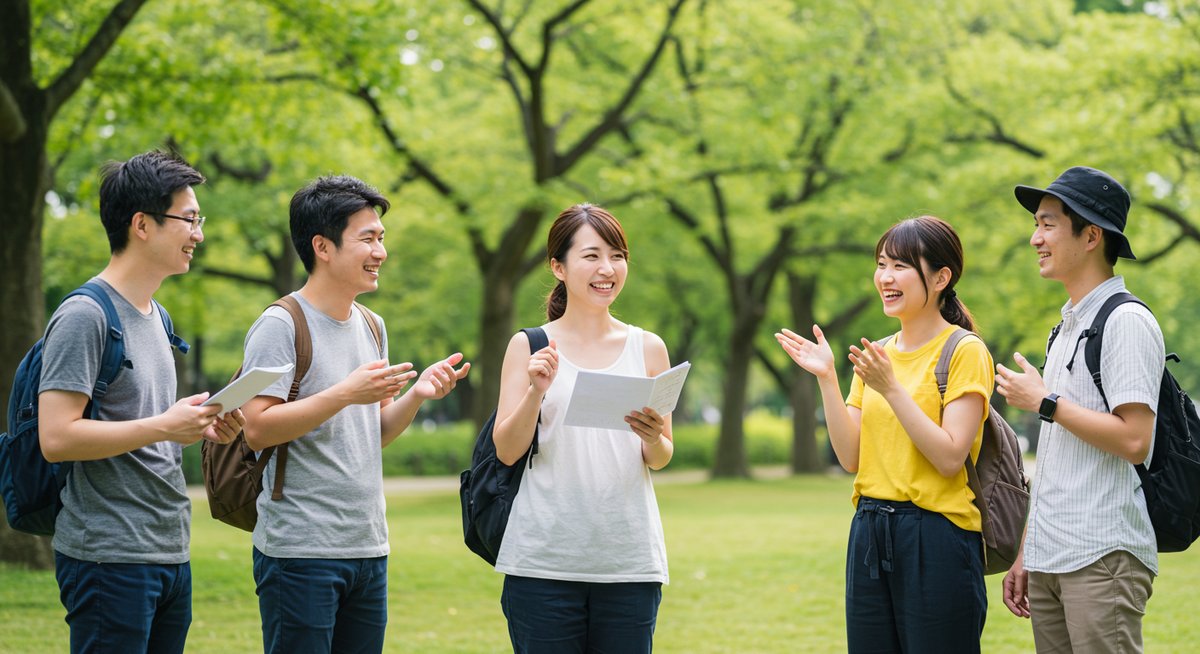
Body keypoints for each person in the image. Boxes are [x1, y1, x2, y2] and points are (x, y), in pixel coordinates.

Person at [238, 175, 469, 654]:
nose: (380, 251)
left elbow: (374, 432)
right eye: (367, 238)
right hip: (300, 550)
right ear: (322, 246)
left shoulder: (371, 323)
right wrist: (344, 393)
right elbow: (256, 428)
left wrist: (417, 395)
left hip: (367, 546)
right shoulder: (280, 324)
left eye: (381, 238)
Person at [38, 150, 245, 653]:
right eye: (189, 219)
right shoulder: (85, 315)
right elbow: (56, 437)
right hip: (109, 555)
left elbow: (147, 424)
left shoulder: (159, 317)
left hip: (169, 549)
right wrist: (163, 426)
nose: (198, 233)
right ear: (142, 225)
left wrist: (196, 424)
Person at [775, 215, 993, 653]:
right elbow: (851, 457)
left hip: (937, 537)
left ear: (941, 277)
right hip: (870, 533)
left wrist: (891, 388)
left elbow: (950, 457)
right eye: (881, 264)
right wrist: (827, 380)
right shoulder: (877, 354)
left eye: (900, 266)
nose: (885, 277)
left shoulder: (964, 350)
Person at [492, 203, 674, 653]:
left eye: (617, 255)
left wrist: (652, 436)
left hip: (628, 563)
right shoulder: (529, 345)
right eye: (591, 256)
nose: (607, 269)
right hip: (542, 562)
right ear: (558, 266)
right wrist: (536, 391)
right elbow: (507, 450)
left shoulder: (648, 348)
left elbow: (663, 455)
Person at [996, 166, 1162, 653]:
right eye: (1036, 225)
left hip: (1101, 556)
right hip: (1052, 554)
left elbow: (1135, 440)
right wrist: (1029, 549)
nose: (1035, 239)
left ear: (1091, 236)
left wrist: (1045, 401)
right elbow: (1057, 456)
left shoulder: (1126, 320)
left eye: (1048, 224)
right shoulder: (1066, 327)